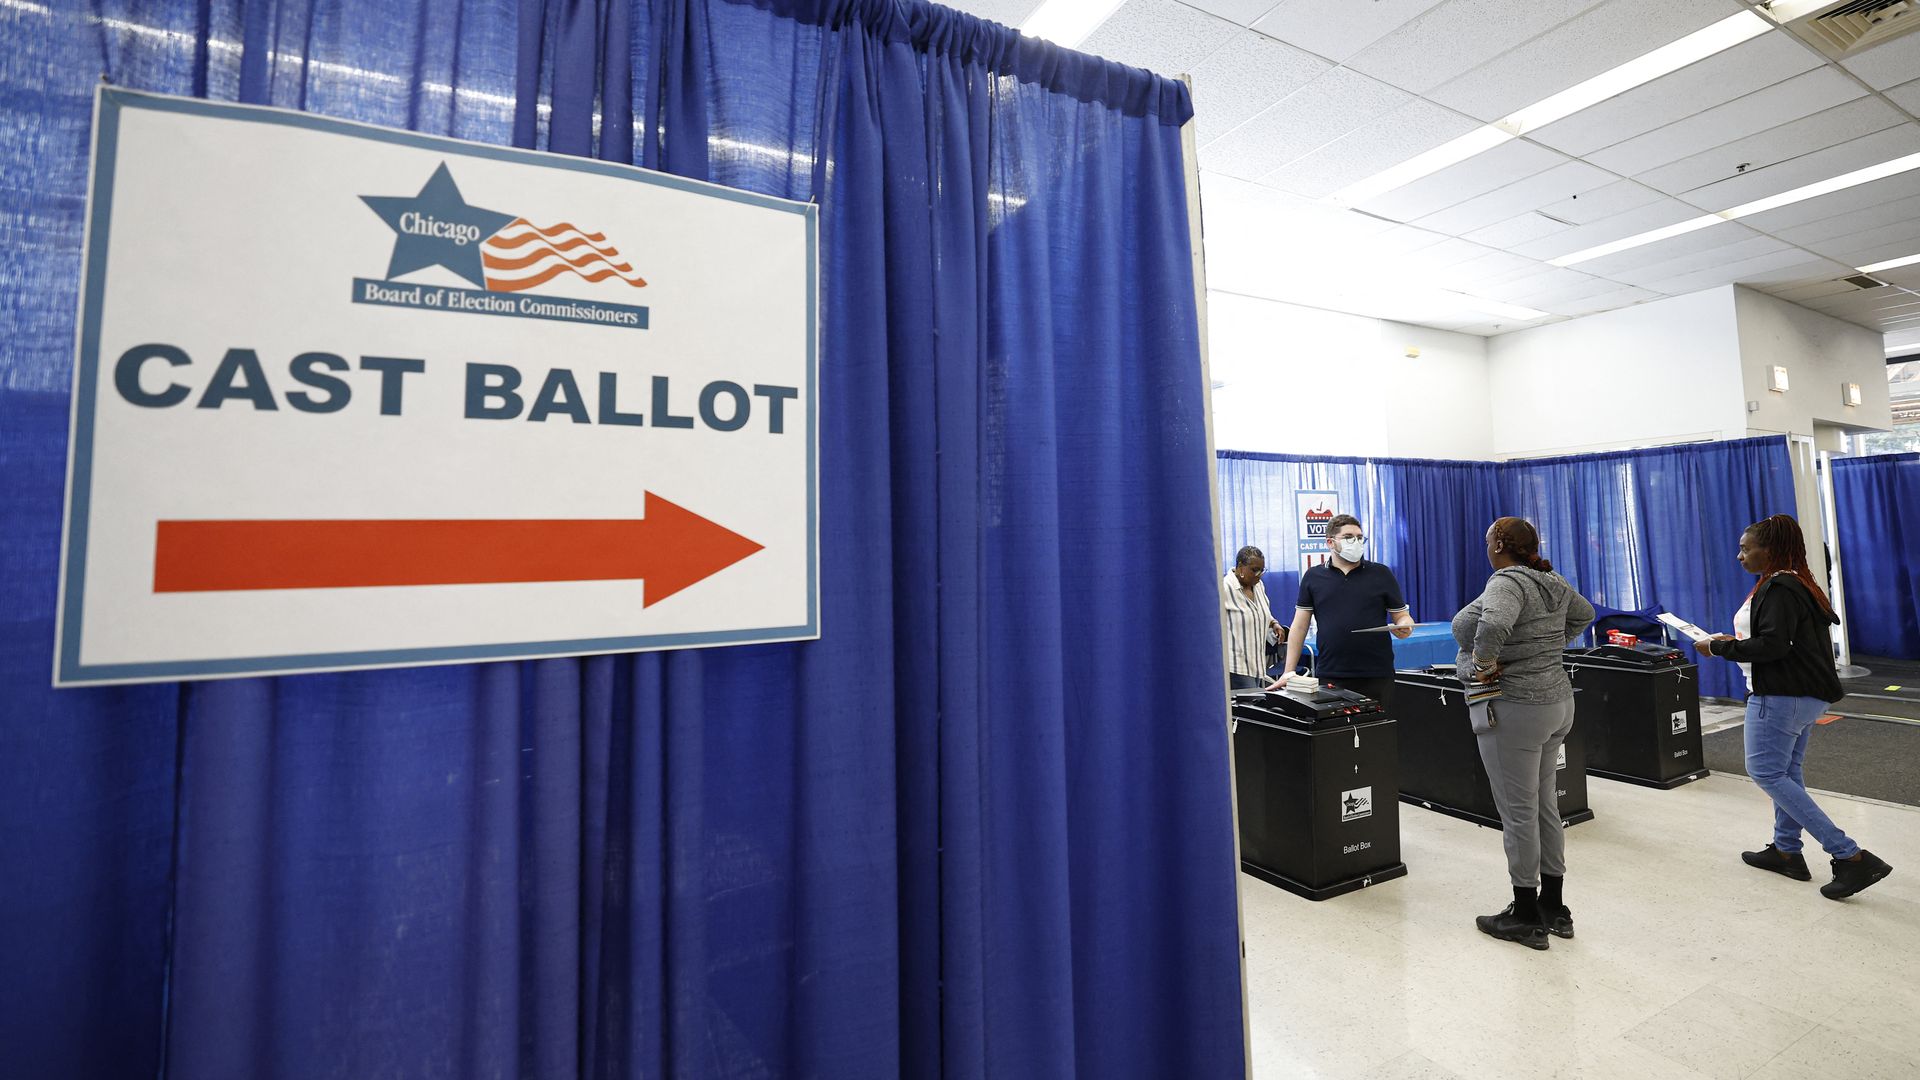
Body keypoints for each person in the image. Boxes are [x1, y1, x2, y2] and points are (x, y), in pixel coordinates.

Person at [1696, 515, 1892, 900]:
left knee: (1766, 772)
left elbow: (1773, 646)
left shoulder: (1781, 586)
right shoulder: (1794, 582)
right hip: (1802, 696)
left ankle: (1850, 857)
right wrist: (1729, 641)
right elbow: (1778, 640)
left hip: (1781, 696)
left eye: (1745, 548)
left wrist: (1718, 647)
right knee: (1786, 773)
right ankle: (1787, 851)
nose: (1739, 556)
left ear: (1769, 550)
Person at [1453, 517, 1594, 950]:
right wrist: (1546, 649)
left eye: (1486, 539)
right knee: (1542, 804)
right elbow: (1584, 615)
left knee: (1518, 813)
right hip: (1556, 703)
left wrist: (1483, 666)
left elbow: (1493, 626)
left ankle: (1526, 915)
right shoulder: (1548, 578)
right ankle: (1555, 906)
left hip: (1516, 709)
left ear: (1498, 543)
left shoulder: (1506, 581)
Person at [1266, 514, 1412, 708]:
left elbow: (1401, 616)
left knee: (1378, 734)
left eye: (1360, 537)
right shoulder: (1313, 577)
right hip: (1331, 672)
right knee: (1336, 735)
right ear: (1330, 542)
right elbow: (1300, 626)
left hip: (1376, 672)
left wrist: (1404, 626)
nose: (1357, 542)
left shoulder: (1381, 573)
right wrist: (1289, 671)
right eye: (1349, 537)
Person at [1222, 546, 1284, 690]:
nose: (1259, 574)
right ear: (1240, 567)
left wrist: (1273, 623)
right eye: (1255, 570)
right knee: (1248, 708)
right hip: (1236, 666)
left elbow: (1262, 611)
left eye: (1262, 570)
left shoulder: (1259, 586)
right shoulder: (1224, 588)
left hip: (1256, 663)